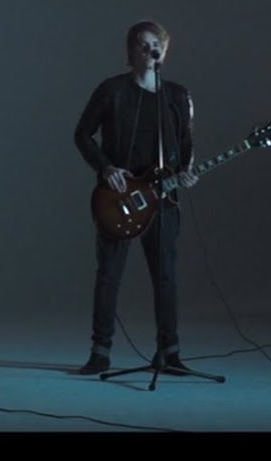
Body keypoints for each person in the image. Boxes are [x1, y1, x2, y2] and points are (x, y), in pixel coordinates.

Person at [74, 20, 198, 375]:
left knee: (166, 275)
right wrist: (105, 168)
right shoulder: (112, 90)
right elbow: (82, 134)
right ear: (131, 51)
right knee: (109, 273)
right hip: (119, 197)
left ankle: (169, 352)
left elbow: (186, 144)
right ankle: (100, 351)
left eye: (155, 44)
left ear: (164, 50)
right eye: (143, 45)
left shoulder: (177, 96)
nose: (149, 50)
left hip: (163, 199)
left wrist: (186, 171)